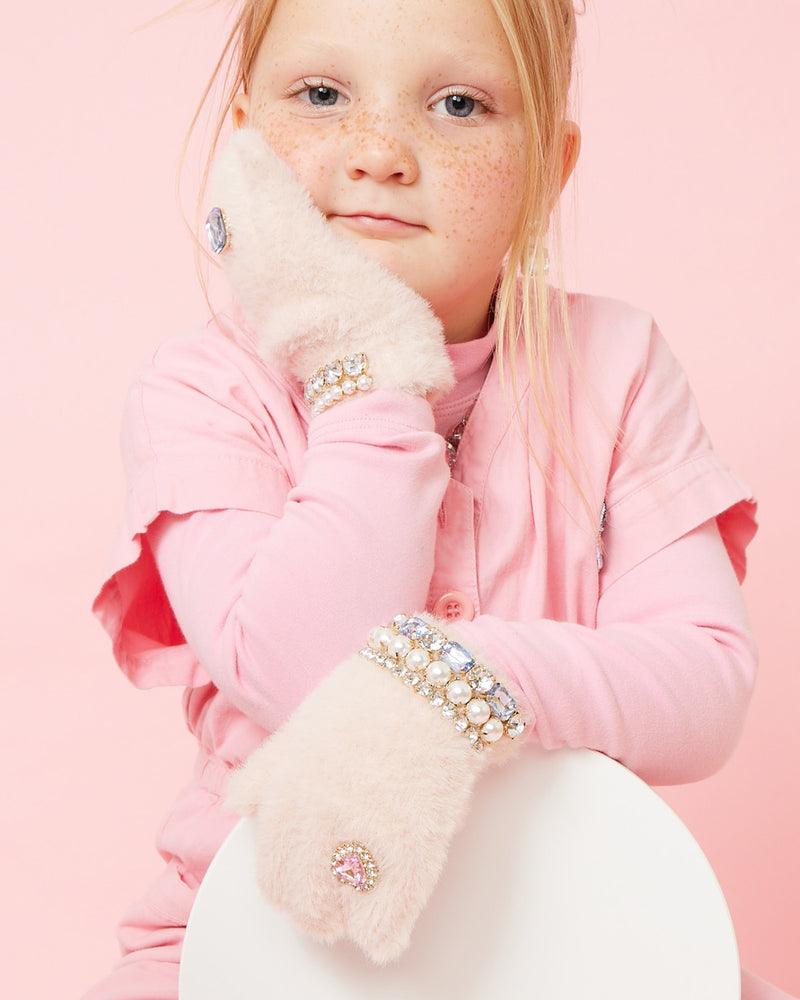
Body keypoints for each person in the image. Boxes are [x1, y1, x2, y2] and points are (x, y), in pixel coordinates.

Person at [81, 0, 795, 996]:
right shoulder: (200, 390)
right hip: (253, 942)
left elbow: (704, 683)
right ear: (245, 143)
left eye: (458, 104)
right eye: (321, 95)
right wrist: (363, 363)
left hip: (568, 937)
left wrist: (459, 679)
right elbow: (302, 676)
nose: (379, 152)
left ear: (545, 170)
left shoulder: (616, 362)